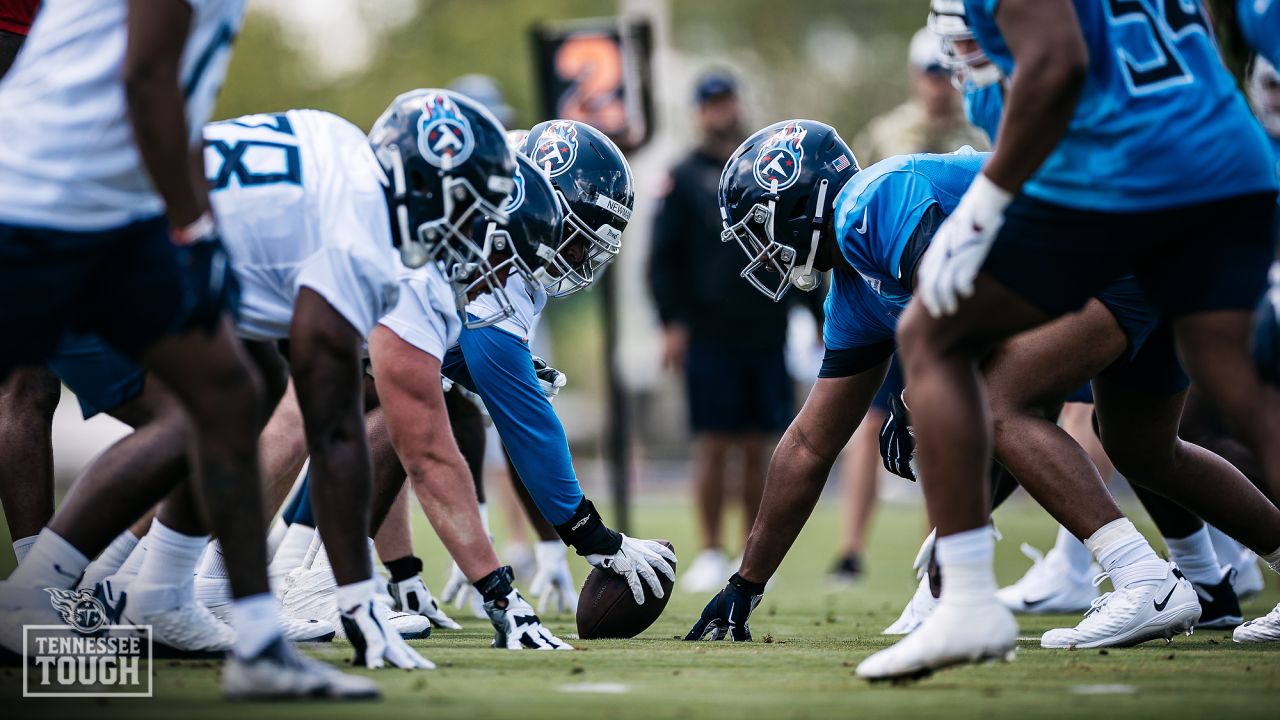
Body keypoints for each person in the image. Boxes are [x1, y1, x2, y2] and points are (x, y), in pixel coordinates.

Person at [682, 121, 1280, 652]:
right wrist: (747, 582)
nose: (764, 250)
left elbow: (959, 306)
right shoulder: (854, 292)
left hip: (1114, 243)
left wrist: (918, 396)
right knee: (1145, 448)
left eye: (760, 225)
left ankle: (1143, 580)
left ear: (800, 203)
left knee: (996, 406)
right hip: (1130, 256)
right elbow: (811, 445)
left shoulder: (873, 198)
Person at [867, 0, 1280, 680]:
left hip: (1132, 170)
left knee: (947, 349)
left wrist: (984, 211)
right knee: (1196, 409)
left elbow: (1055, 63)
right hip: (1228, 156)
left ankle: (978, 598)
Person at [830, 26, 988, 585]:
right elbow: (846, 208)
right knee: (871, 423)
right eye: (930, 74)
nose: (939, 85)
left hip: (961, 296)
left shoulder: (980, 120)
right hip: (893, 298)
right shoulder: (887, 133)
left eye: (946, 73)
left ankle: (945, 548)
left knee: (945, 414)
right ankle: (851, 549)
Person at [649, 71, 816, 592]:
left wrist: (815, 314)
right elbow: (663, 260)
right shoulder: (682, 175)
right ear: (699, 111)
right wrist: (671, 323)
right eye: (711, 104)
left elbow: (801, 239)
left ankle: (752, 553)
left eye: (726, 101)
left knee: (761, 444)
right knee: (714, 442)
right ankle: (710, 550)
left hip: (766, 325)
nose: (720, 112)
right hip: (708, 330)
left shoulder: (768, 169)